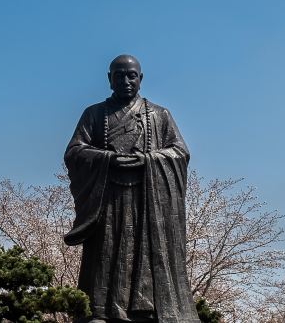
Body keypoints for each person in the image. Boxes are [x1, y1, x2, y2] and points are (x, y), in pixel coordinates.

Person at [64, 55, 200, 323]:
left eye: (131, 75)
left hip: (147, 200)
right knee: (105, 253)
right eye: (119, 75)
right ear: (109, 78)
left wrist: (148, 160)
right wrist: (108, 158)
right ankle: (100, 310)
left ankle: (145, 308)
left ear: (140, 78)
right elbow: (75, 151)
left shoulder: (160, 115)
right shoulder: (94, 114)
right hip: (107, 198)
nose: (125, 81)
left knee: (144, 254)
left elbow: (180, 152)